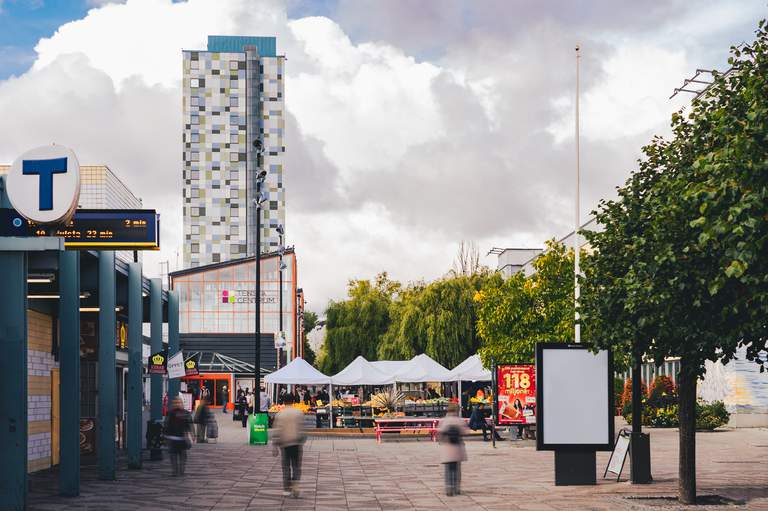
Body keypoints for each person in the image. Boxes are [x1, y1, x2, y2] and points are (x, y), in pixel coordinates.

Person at [272, 393, 305, 497]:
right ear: (293, 401)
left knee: (286, 467)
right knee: (296, 466)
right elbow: (301, 428)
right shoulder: (298, 413)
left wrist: (275, 445)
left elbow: (277, 430)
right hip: (296, 443)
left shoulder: (280, 414)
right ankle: (295, 484)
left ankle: (287, 489)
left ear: (284, 402)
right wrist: (302, 440)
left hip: (284, 444)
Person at [438, 402, 468, 496]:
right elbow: (465, 431)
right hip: (457, 448)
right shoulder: (459, 420)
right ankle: (456, 487)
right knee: (456, 470)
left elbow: (440, 434)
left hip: (447, 448)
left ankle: (449, 488)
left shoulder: (444, 421)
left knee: (448, 470)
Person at [164, 397, 193, 476]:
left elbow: (188, 426)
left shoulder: (173, 413)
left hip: (180, 439)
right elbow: (167, 425)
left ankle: (178, 471)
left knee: (179, 456)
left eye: (178, 402)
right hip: (175, 439)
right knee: (178, 456)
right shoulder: (172, 413)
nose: (177, 404)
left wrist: (191, 435)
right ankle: (177, 471)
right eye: (176, 402)